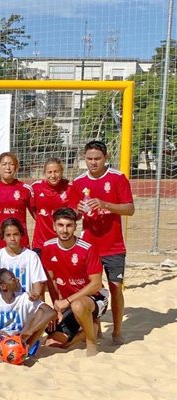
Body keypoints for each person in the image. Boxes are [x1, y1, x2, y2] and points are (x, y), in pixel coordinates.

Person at [69, 140, 134, 345]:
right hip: (89, 246)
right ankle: (95, 329)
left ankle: (117, 331)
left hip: (114, 246)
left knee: (116, 287)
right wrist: (78, 211)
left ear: (105, 158)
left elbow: (129, 209)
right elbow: (74, 216)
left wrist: (104, 204)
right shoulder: (78, 182)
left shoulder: (117, 178)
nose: (93, 162)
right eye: (89, 159)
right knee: (92, 289)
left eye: (97, 159)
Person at [41, 207, 109, 356]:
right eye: (60, 225)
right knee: (53, 343)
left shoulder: (87, 249)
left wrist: (67, 301)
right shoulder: (48, 247)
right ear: (54, 226)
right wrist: (57, 307)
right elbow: (51, 281)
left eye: (69, 225)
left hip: (95, 297)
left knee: (78, 305)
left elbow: (96, 284)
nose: (64, 230)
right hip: (67, 302)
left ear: (75, 227)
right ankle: (89, 329)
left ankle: (91, 341)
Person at [0, 269, 56, 360]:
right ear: (3, 286)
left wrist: (30, 330)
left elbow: (51, 312)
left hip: (21, 339)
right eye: (13, 279)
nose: (17, 280)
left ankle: (27, 347)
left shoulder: (24, 297)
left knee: (41, 314)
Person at [0, 218, 46, 301]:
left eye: (15, 234)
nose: (12, 238)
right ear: (3, 237)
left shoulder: (32, 256)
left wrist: (35, 294)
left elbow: (37, 282)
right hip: (3, 305)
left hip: (25, 303)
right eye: (8, 235)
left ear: (21, 235)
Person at [0, 152, 35, 252]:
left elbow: (38, 217)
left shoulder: (25, 189)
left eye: (11, 164)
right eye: (4, 164)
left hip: (20, 244)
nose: (8, 168)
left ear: (16, 167)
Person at [30, 157, 72, 255]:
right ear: (45, 173)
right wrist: (43, 220)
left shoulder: (70, 188)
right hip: (41, 243)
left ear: (61, 172)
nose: (53, 175)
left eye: (56, 171)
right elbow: (32, 210)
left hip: (63, 242)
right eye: (49, 172)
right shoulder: (36, 187)